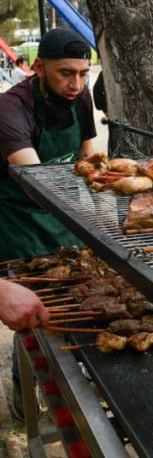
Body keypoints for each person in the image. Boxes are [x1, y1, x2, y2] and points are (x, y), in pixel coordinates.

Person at [0, 28, 94, 419]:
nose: (76, 84)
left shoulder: (81, 97)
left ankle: (78, 388)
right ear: (38, 67)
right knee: (33, 322)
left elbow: (87, 155)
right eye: (65, 74)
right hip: (21, 226)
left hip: (64, 222)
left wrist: (102, 205)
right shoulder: (10, 110)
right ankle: (25, 395)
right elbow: (42, 183)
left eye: (83, 73)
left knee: (77, 306)